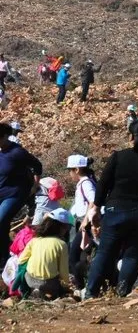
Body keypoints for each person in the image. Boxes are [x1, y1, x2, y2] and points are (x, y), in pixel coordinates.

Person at [85, 120, 138, 298]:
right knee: (132, 254)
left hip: (116, 210)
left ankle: (91, 292)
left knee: (105, 253)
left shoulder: (119, 156)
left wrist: (95, 208)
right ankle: (122, 291)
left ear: (131, 136)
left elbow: (103, 184)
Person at [0, 123, 43, 268]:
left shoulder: (17, 152)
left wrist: (35, 185)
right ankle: (5, 257)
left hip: (15, 193)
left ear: (5, 136)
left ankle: (4, 258)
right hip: (1, 190)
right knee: (3, 226)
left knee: (1, 220)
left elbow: (37, 166)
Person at [18, 209, 73, 299]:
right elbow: (63, 271)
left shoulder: (34, 240)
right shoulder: (61, 244)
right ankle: (47, 293)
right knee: (59, 289)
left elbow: (21, 261)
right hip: (49, 283)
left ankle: (34, 290)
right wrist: (66, 282)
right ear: (61, 228)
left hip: (30, 279)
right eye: (66, 227)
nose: (67, 230)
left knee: (28, 272)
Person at [66, 154, 97, 289]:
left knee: (73, 255)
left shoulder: (85, 183)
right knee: (82, 255)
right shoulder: (84, 183)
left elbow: (93, 200)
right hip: (84, 221)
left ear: (77, 169)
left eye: (70, 170)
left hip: (87, 223)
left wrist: (85, 221)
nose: (70, 174)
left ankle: (80, 285)